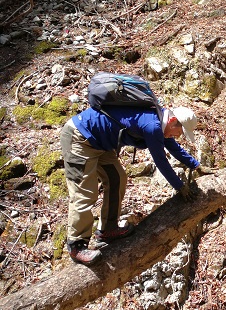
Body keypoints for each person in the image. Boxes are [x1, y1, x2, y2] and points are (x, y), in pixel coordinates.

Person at [59, 104, 212, 265]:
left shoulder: (160, 120)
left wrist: (196, 165)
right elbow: (161, 161)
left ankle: (107, 230)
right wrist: (180, 186)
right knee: (85, 193)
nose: (178, 136)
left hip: (99, 143)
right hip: (79, 137)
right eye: (179, 132)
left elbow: (171, 145)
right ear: (173, 120)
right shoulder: (152, 125)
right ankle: (76, 245)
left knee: (117, 178)